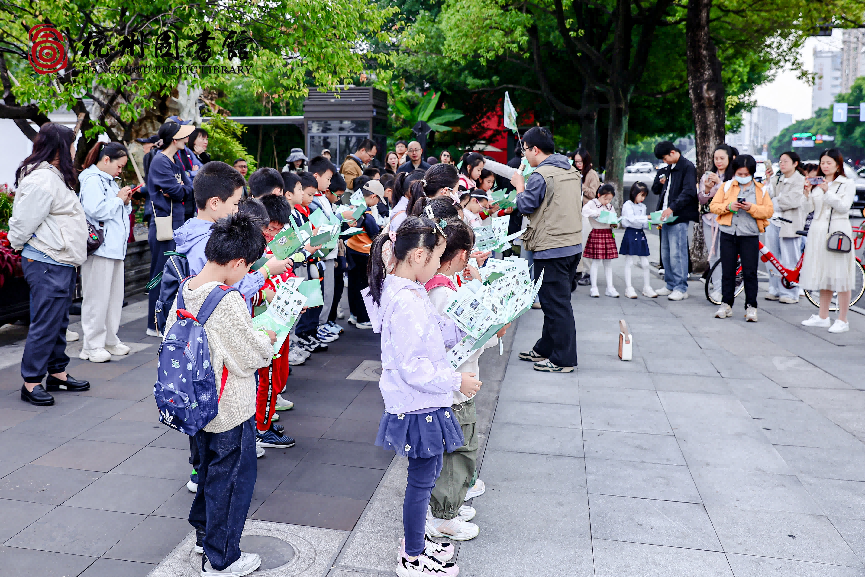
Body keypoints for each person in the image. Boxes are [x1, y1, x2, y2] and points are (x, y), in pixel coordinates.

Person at [363, 216, 477, 577]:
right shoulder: (407, 299)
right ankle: (412, 556)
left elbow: (434, 333)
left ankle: (417, 544)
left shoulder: (405, 290)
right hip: (418, 402)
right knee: (422, 480)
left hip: (419, 401)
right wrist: (456, 380)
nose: (439, 264)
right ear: (417, 256)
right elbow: (413, 367)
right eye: (436, 257)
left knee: (425, 476)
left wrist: (466, 325)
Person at [167, 213, 275, 577]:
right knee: (231, 482)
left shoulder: (186, 288)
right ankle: (222, 559)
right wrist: (267, 340)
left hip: (195, 403)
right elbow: (249, 356)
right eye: (248, 267)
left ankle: (205, 536)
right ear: (238, 263)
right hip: (228, 407)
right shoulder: (226, 300)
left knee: (209, 473)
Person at [425, 218, 504, 542]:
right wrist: (493, 332)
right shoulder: (443, 292)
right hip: (455, 385)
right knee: (457, 451)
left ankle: (448, 507)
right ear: (460, 255)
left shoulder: (439, 286)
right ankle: (443, 516)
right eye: (469, 254)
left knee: (455, 449)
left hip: (452, 383)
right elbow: (461, 340)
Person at [10, 123, 90, 406]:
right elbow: (22, 223)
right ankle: (31, 382)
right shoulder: (43, 180)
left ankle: (57, 373)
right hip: (47, 260)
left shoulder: (55, 176)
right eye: (72, 144)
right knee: (46, 323)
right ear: (60, 147)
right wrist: (18, 245)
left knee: (58, 321)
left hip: (59, 259)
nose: (74, 149)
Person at [511, 126, 582, 373]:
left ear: (535, 149)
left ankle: (563, 359)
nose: (524, 155)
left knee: (557, 305)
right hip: (572, 244)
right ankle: (545, 348)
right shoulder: (571, 170)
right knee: (555, 302)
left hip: (551, 247)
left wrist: (519, 185)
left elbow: (526, 206)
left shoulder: (540, 175)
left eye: (525, 150)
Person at [77, 142, 135, 363]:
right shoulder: (92, 179)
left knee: (112, 298)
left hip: (113, 248)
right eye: (119, 166)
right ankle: (91, 345)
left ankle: (109, 339)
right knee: (96, 299)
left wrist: (124, 201)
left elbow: (117, 211)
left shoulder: (107, 180)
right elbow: (96, 210)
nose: (120, 171)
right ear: (106, 159)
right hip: (100, 248)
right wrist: (119, 199)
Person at [710, 154, 774, 322]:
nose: (743, 177)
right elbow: (713, 206)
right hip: (728, 233)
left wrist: (751, 207)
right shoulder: (726, 186)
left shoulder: (761, 189)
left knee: (750, 272)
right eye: (740, 173)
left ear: (752, 173)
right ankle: (726, 304)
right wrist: (728, 207)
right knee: (728, 271)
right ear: (734, 172)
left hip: (749, 235)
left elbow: (768, 211)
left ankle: (751, 307)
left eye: (746, 174)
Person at [146, 120, 195, 336]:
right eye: (183, 135)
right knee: (160, 274)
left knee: (172, 274)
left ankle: (165, 320)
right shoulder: (160, 161)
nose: (187, 139)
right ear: (174, 139)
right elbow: (178, 190)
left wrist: (181, 189)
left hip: (176, 224)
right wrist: (181, 188)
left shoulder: (175, 160)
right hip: (164, 225)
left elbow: (188, 188)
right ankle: (154, 323)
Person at [800, 148, 857, 333]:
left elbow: (844, 207)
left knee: (840, 274)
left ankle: (843, 319)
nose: (824, 166)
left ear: (838, 165)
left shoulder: (846, 183)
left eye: (828, 163)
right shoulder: (818, 183)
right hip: (818, 232)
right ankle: (823, 316)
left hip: (837, 232)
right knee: (824, 274)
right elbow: (809, 209)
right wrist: (807, 193)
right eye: (822, 163)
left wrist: (827, 191)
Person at [653, 140, 698, 301]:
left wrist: (672, 207)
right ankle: (670, 284)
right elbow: (659, 190)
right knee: (666, 253)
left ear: (672, 153)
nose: (664, 161)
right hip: (665, 216)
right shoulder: (669, 168)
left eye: (665, 158)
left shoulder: (687, 167)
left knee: (677, 253)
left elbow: (689, 191)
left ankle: (681, 287)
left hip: (678, 216)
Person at [764, 151, 806, 304]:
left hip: (790, 224)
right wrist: (768, 181)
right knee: (771, 257)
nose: (782, 164)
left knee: (790, 258)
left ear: (795, 163)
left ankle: (790, 292)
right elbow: (767, 195)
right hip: (773, 221)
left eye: (785, 161)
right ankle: (774, 289)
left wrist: (774, 201)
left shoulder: (800, 180)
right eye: (780, 161)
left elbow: (792, 201)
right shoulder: (777, 178)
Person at [698, 144, 735, 302]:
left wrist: (719, 183)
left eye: (722, 158)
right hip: (709, 220)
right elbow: (701, 199)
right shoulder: (707, 176)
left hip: (727, 220)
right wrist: (707, 189)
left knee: (725, 255)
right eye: (716, 158)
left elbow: (731, 197)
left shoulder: (734, 177)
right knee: (712, 255)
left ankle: (725, 288)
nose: (718, 161)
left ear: (730, 158)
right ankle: (717, 287)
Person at [346, 180, 384, 329]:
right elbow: (373, 232)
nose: (377, 203)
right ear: (373, 196)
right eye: (378, 199)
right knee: (364, 286)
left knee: (353, 285)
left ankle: (354, 315)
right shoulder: (366, 212)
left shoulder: (353, 206)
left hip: (351, 248)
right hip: (363, 252)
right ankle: (363, 318)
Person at [619, 182, 657, 299]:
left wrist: (653, 221)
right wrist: (647, 218)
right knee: (629, 262)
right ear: (634, 193)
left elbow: (642, 223)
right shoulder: (627, 205)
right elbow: (631, 220)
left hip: (640, 234)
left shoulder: (643, 207)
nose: (643, 198)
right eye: (641, 195)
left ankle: (647, 287)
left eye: (644, 196)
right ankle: (629, 288)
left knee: (645, 263)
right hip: (630, 233)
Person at [582, 183, 620, 298]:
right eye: (605, 198)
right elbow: (584, 211)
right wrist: (598, 214)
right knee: (596, 261)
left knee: (608, 262)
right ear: (599, 195)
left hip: (608, 234)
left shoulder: (610, 207)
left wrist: (614, 224)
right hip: (597, 233)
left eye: (610, 199)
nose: (607, 201)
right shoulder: (592, 203)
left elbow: (615, 219)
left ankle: (610, 288)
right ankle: (594, 288)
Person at [574, 148, 600, 287]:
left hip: (588, 214)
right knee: (577, 243)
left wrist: (580, 185)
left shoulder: (591, 174)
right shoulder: (577, 173)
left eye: (580, 161)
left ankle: (588, 273)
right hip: (577, 212)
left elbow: (594, 193)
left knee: (586, 243)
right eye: (576, 162)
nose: (578, 164)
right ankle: (579, 271)